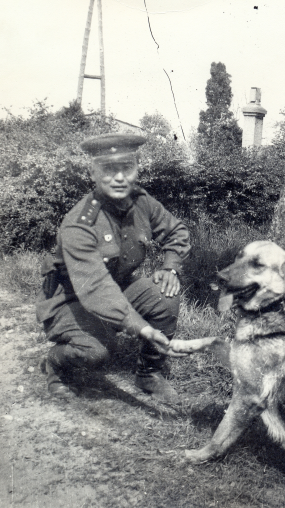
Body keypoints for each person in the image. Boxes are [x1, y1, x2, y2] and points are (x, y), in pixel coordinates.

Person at [36, 133, 191, 403]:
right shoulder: (80, 223)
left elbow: (176, 231)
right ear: (92, 172)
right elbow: (94, 286)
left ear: (137, 169)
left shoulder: (142, 202)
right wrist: (141, 327)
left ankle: (149, 373)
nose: (120, 178)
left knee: (164, 295)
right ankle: (55, 366)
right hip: (69, 300)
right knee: (95, 352)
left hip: (117, 287)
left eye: (126, 168)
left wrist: (170, 267)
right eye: (109, 169)